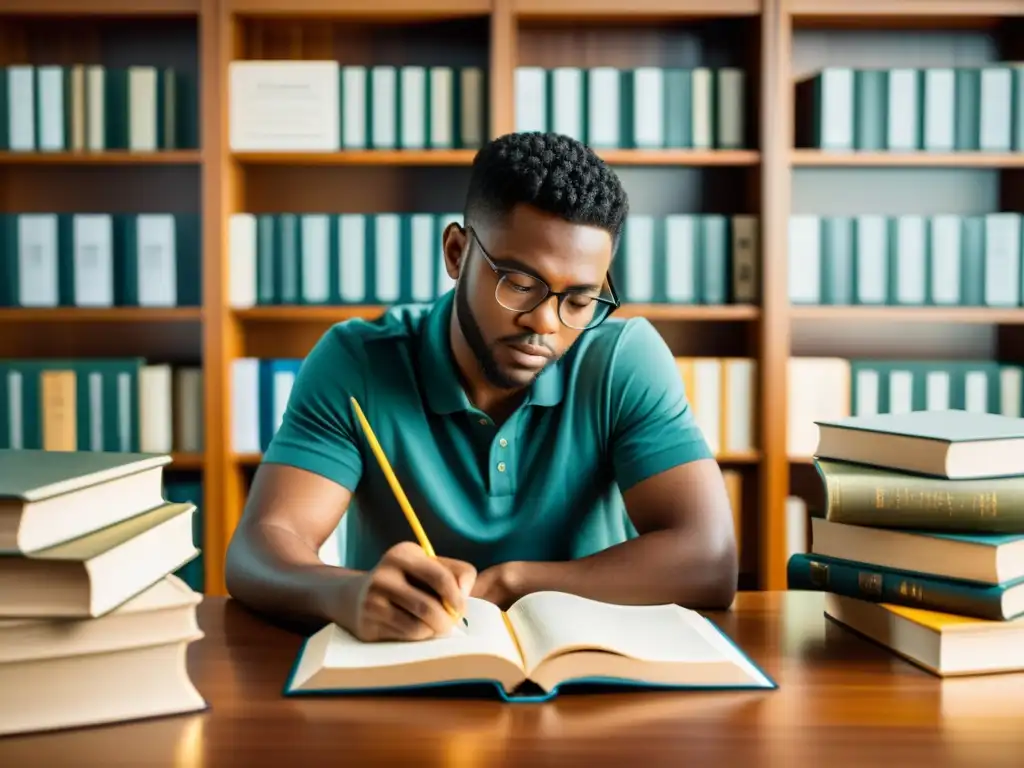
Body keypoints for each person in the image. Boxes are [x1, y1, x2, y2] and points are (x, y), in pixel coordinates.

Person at [225, 131, 738, 643]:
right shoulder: (356, 361)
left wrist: (514, 582)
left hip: (589, 674)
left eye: (579, 301)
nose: (544, 322)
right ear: (456, 253)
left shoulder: (621, 359)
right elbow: (261, 548)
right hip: (403, 669)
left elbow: (709, 559)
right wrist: (347, 593)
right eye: (518, 283)